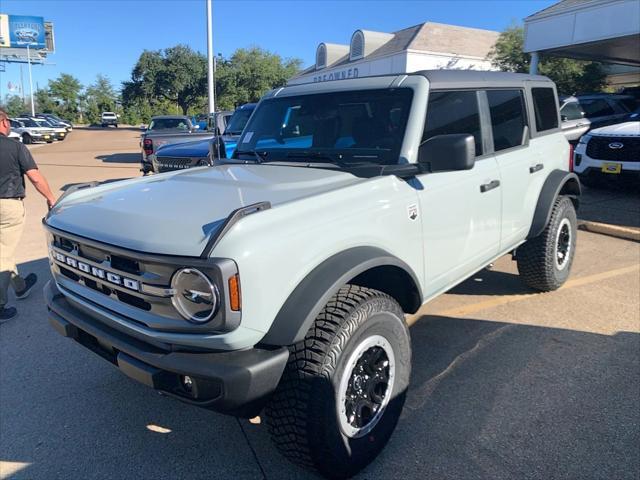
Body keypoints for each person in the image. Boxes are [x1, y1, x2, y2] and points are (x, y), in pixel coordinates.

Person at [0, 107, 57, 321]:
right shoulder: (15, 147)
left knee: (2, 250)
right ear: (5, 122)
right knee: (3, 253)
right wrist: (51, 198)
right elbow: (35, 177)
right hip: (7, 206)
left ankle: (20, 287)